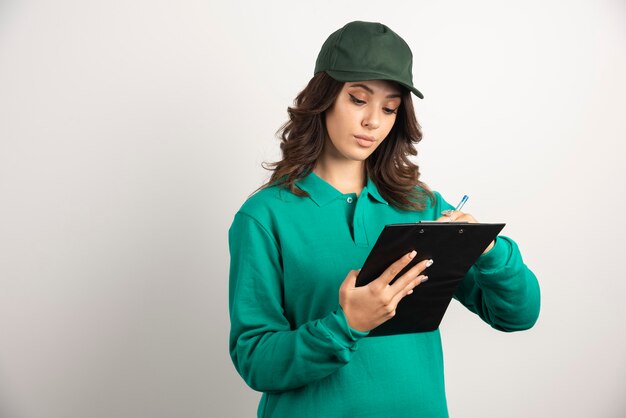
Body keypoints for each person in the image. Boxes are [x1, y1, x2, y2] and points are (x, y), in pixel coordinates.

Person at [228, 21, 540, 418]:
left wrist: (489, 248)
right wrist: (346, 325)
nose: (373, 121)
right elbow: (255, 359)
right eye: (358, 99)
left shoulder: (422, 207)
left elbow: (517, 315)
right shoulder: (264, 217)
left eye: (390, 107)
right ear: (322, 98)